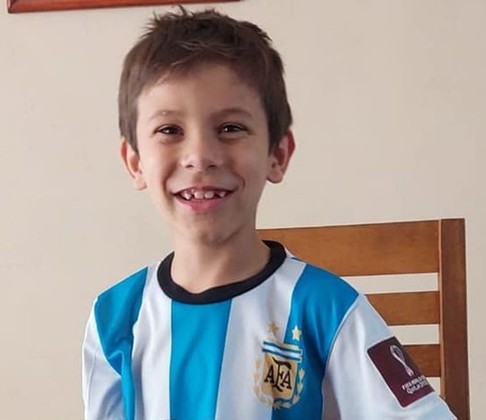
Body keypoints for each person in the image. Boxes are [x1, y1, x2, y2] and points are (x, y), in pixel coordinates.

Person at [81, 7, 456, 420]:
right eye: (170, 130)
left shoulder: (329, 309)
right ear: (135, 162)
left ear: (277, 154)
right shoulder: (114, 319)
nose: (200, 156)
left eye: (230, 128)